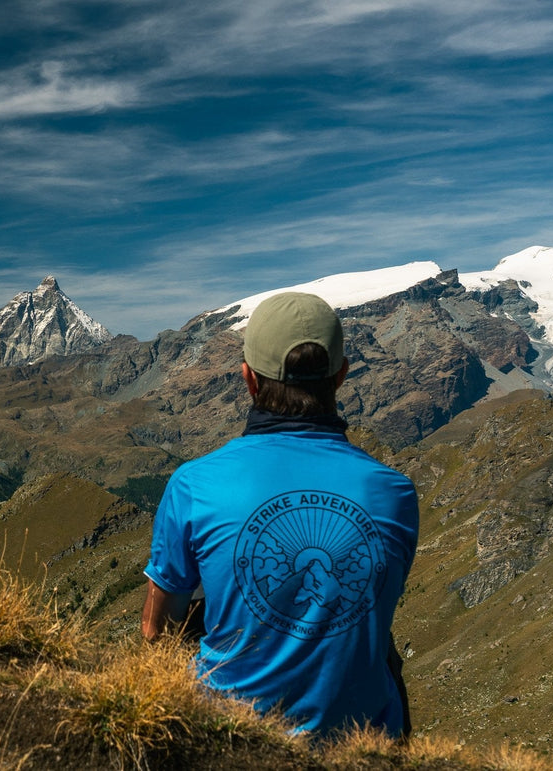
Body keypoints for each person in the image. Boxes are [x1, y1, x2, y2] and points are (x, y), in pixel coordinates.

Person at [141, 292, 418, 738]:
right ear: (342, 376)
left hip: (229, 738)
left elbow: (156, 631)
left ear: (249, 379)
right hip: (362, 747)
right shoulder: (395, 492)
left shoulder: (195, 484)